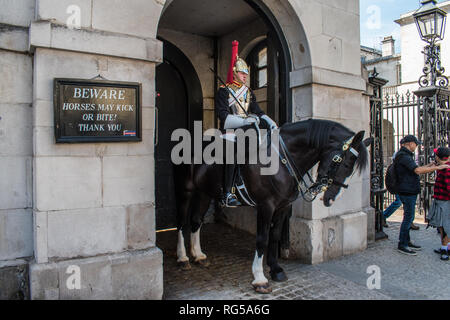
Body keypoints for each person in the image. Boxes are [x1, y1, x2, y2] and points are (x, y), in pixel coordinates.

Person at [215, 40, 277, 207]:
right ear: (234, 72)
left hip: (246, 131)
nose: (245, 76)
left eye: (246, 74)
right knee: (232, 156)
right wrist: (245, 120)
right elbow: (223, 116)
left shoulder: (248, 93)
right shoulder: (224, 90)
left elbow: (258, 111)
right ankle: (227, 193)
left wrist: (270, 122)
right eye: (242, 73)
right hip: (229, 131)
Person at [394, 135, 449, 256]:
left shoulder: (406, 155)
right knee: (408, 218)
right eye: (416, 143)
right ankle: (402, 244)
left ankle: (406, 241)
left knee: (409, 217)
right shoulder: (404, 156)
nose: (417, 146)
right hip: (407, 190)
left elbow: (416, 168)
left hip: (409, 190)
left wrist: (431, 165)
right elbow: (417, 171)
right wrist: (437, 167)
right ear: (409, 143)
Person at [382, 139, 419, 231]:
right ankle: (383, 216)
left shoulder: (406, 155)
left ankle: (410, 221)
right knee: (399, 202)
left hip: (404, 183)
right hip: (401, 183)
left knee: (406, 206)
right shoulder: (401, 155)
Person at [427, 147, 450, 261]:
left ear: (437, 156)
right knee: (442, 226)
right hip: (441, 200)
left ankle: (445, 249)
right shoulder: (442, 167)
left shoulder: (447, 170)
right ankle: (446, 247)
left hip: (445, 202)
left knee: (444, 226)